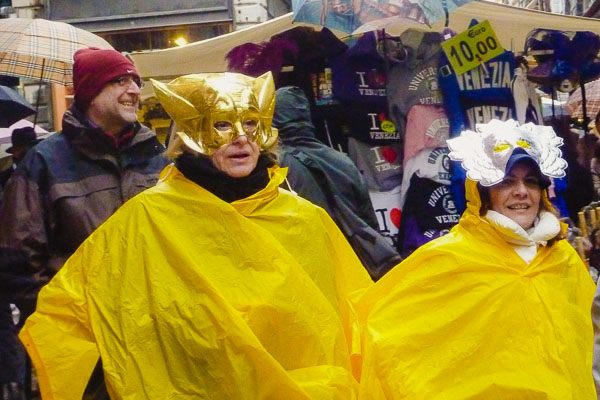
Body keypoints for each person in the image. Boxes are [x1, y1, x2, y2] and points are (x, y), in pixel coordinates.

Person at [19, 71, 372, 399]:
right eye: (221, 124)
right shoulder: (148, 217)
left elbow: (351, 316)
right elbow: (73, 306)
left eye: (251, 123)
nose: (240, 137)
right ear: (191, 135)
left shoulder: (302, 218)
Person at [353, 119, 596, 399]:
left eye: (531, 181)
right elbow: (387, 337)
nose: (521, 191)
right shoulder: (449, 258)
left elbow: (580, 344)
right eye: (506, 181)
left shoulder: (562, 258)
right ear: (484, 193)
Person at [0, 48, 168, 398]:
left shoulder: (158, 157)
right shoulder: (45, 162)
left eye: (136, 81)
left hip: (157, 335)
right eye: (120, 80)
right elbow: (18, 260)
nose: (135, 89)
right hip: (83, 347)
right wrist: (70, 321)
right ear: (91, 91)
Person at [272, 86, 398, 279]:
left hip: (313, 268)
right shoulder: (342, 160)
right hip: (357, 263)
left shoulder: (277, 167)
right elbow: (367, 217)